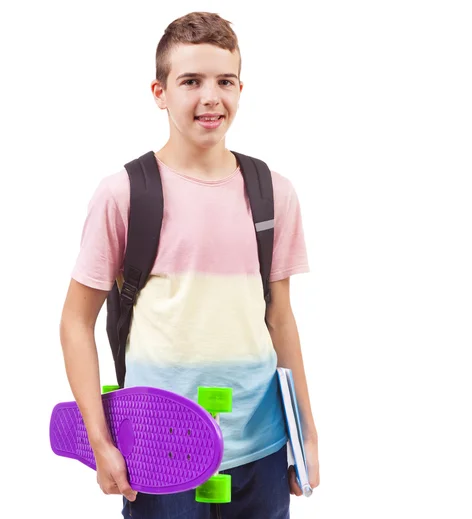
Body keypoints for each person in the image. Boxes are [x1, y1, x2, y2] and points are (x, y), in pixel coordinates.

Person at [58, 11, 319, 519]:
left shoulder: (274, 194)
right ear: (159, 92)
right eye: (190, 81)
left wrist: (305, 430)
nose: (210, 97)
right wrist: (99, 439)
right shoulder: (124, 195)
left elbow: (281, 318)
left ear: (241, 89)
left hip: (261, 448)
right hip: (159, 449)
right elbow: (74, 321)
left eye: (224, 81)